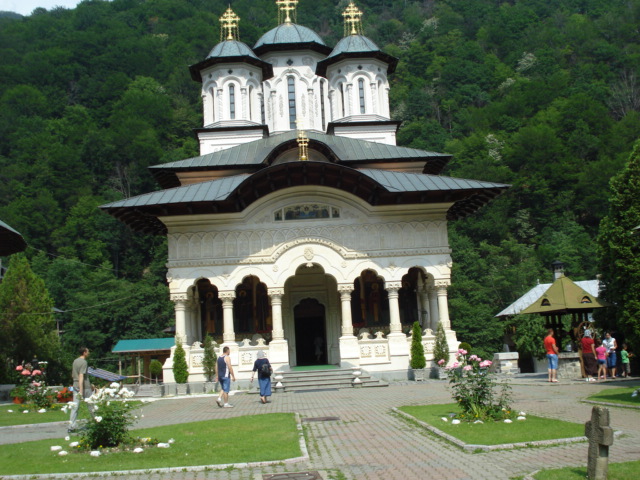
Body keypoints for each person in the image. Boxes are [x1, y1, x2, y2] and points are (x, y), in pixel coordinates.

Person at [69, 347, 94, 432]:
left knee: (75, 406)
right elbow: (81, 375)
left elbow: (73, 375)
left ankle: (71, 426)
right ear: (84, 352)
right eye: (88, 351)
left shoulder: (75, 361)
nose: (89, 353)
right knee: (91, 405)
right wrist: (81, 389)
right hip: (84, 386)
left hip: (75, 384)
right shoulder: (84, 362)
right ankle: (97, 422)